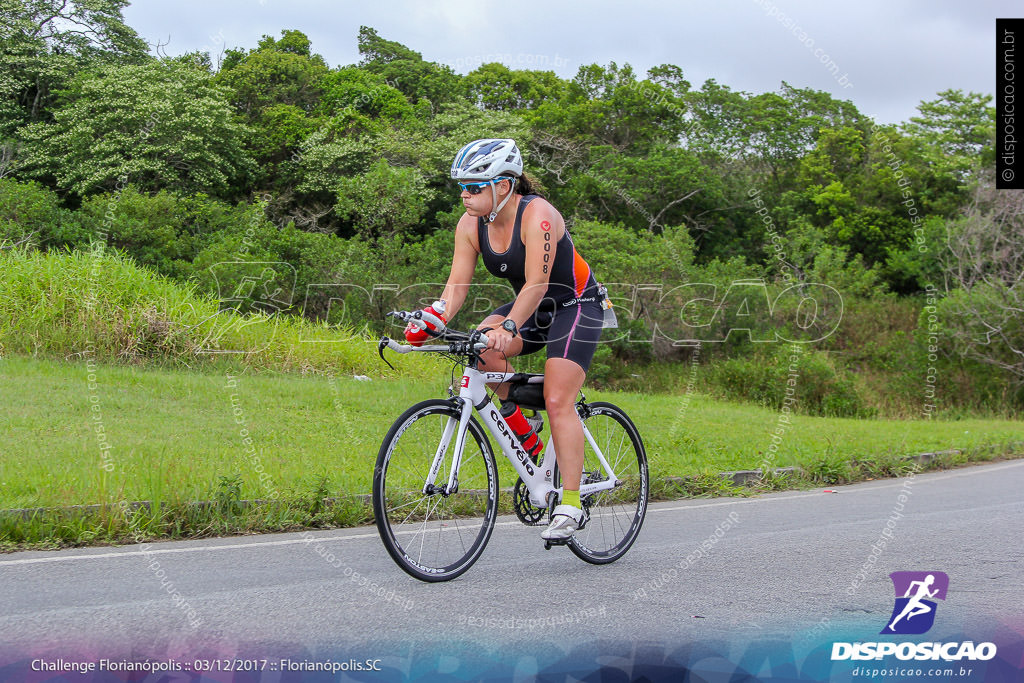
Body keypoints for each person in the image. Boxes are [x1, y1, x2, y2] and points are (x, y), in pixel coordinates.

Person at [404, 138, 606, 541]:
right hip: (529, 307)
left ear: (503, 185)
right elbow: (456, 288)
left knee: (558, 399)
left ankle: (570, 502)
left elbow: (538, 283)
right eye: (461, 186)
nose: (464, 194)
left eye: (474, 187)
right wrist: (432, 317)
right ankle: (526, 426)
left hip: (575, 305)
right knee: (479, 350)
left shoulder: (539, 216)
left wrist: (509, 328)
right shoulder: (469, 225)